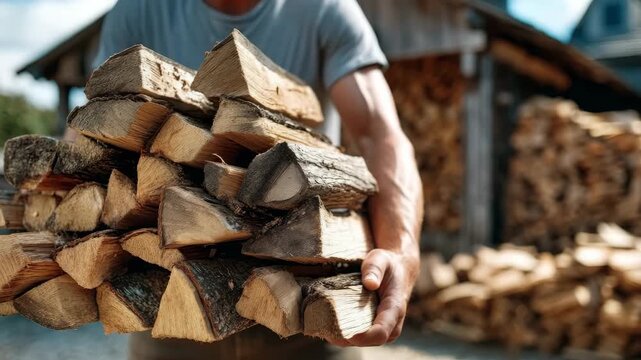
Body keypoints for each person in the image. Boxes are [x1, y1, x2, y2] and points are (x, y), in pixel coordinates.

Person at [93, 0, 423, 358]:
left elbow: (380, 134)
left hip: (304, 304)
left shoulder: (326, 9)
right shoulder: (139, 10)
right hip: (171, 300)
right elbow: (95, 132)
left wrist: (400, 249)